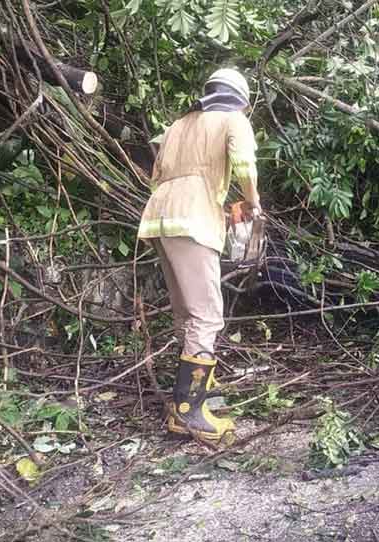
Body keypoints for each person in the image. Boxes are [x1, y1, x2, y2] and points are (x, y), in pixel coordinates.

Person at [137, 68, 261, 441]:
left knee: (186, 311)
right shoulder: (233, 118)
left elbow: (160, 177)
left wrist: (214, 206)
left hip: (160, 217)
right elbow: (243, 165)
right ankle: (189, 412)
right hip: (193, 220)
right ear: (241, 99)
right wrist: (253, 203)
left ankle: (193, 390)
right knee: (207, 314)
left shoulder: (177, 125)